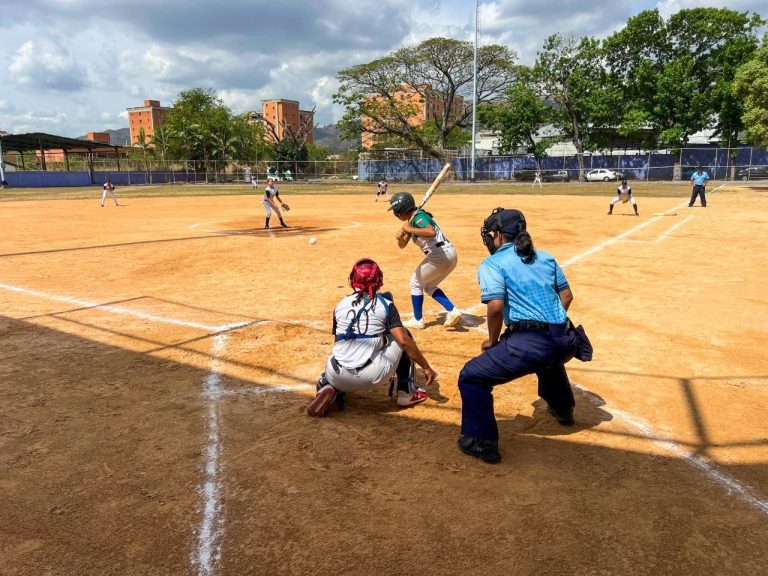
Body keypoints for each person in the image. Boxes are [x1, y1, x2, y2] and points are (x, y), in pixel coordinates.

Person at [456, 208, 586, 464]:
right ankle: (563, 409)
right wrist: (552, 322)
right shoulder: (545, 257)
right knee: (549, 357)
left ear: (498, 236)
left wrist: (492, 341)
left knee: (471, 377)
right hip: (567, 339)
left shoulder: (493, 264)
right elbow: (567, 296)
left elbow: (495, 308)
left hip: (532, 344)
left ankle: (481, 443)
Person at [307, 258, 437, 417]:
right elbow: (403, 342)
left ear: (352, 280)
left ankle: (329, 386)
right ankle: (407, 393)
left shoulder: (340, 305)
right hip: (372, 376)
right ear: (379, 280)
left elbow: (338, 343)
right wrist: (426, 367)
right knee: (404, 336)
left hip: (337, 374)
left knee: (343, 346)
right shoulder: (385, 304)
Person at [388, 192, 463, 330]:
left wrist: (409, 228)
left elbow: (431, 232)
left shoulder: (420, 218)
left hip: (439, 255)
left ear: (400, 211)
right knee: (428, 285)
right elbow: (402, 245)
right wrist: (401, 236)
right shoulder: (412, 221)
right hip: (447, 255)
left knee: (415, 282)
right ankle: (453, 311)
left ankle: (418, 320)